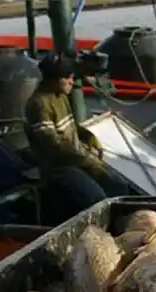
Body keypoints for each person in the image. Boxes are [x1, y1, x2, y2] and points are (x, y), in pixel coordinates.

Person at [25, 52, 135, 222]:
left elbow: (72, 127)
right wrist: (89, 161)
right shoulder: (39, 105)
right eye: (67, 77)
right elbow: (54, 145)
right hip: (59, 169)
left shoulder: (61, 96)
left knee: (119, 185)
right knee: (97, 201)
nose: (71, 81)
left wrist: (88, 136)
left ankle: (118, 226)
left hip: (77, 159)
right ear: (52, 79)